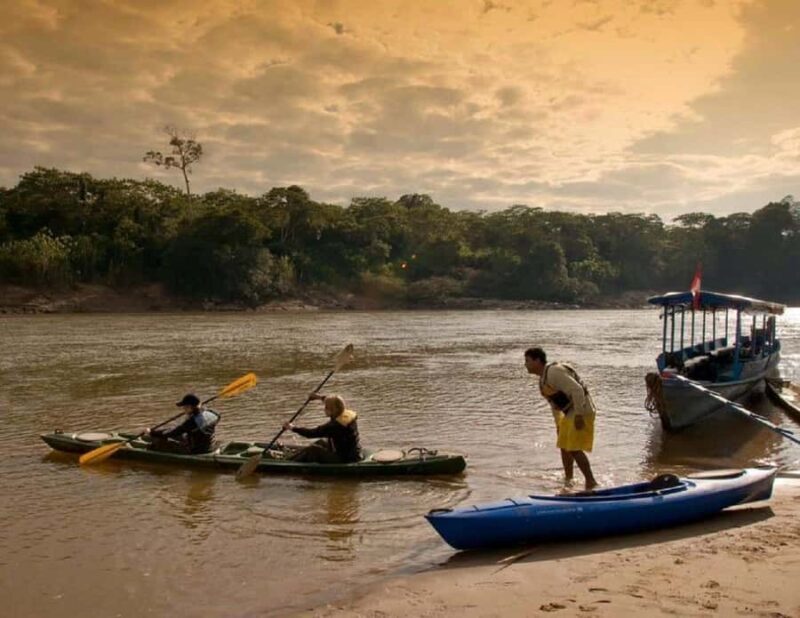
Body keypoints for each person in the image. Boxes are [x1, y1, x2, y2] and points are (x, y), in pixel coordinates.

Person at [524, 347, 598, 490]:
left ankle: (591, 482)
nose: (525, 364)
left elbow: (578, 390)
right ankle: (568, 479)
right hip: (570, 411)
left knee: (574, 448)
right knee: (564, 446)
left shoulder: (554, 372)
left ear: (537, 360)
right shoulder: (543, 381)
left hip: (582, 409)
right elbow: (555, 405)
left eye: (527, 361)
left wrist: (579, 415)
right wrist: (558, 425)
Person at [282, 393, 362, 463]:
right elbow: (336, 402)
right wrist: (318, 397)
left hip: (345, 459)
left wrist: (292, 428)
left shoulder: (335, 426)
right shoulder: (345, 413)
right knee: (321, 442)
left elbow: (311, 433)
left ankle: (289, 462)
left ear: (332, 410)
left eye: (326, 408)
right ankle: (293, 458)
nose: (324, 409)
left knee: (312, 450)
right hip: (352, 452)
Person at [147, 393, 220, 455]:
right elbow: (217, 416)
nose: (183, 409)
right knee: (178, 434)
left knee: (162, 442)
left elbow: (172, 433)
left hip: (196, 451)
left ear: (190, 407)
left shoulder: (192, 421)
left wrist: (151, 432)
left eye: (184, 407)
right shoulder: (213, 413)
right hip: (211, 446)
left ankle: (151, 448)